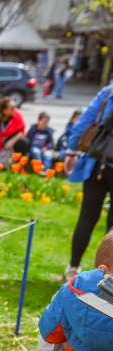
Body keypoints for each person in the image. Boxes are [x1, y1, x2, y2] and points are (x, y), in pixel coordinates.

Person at [65, 83, 113, 278]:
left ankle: (73, 268)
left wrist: (70, 149)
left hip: (97, 164)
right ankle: (107, 275)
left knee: (86, 217)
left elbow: (84, 121)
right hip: (99, 164)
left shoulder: (108, 92)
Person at [0, 97, 28, 161]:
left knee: (23, 141)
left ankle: (19, 162)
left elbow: (21, 131)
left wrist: (12, 141)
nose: (14, 109)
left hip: (10, 139)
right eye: (12, 108)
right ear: (4, 110)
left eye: (15, 107)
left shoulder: (17, 116)